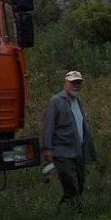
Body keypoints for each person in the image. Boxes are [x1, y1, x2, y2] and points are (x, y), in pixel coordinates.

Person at [42, 71, 97, 211]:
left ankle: (61, 211)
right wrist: (47, 148)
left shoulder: (78, 101)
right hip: (62, 151)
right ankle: (79, 213)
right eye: (73, 82)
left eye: (78, 83)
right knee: (71, 185)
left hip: (78, 150)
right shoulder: (56, 101)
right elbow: (48, 125)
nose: (76, 86)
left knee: (80, 183)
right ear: (66, 83)